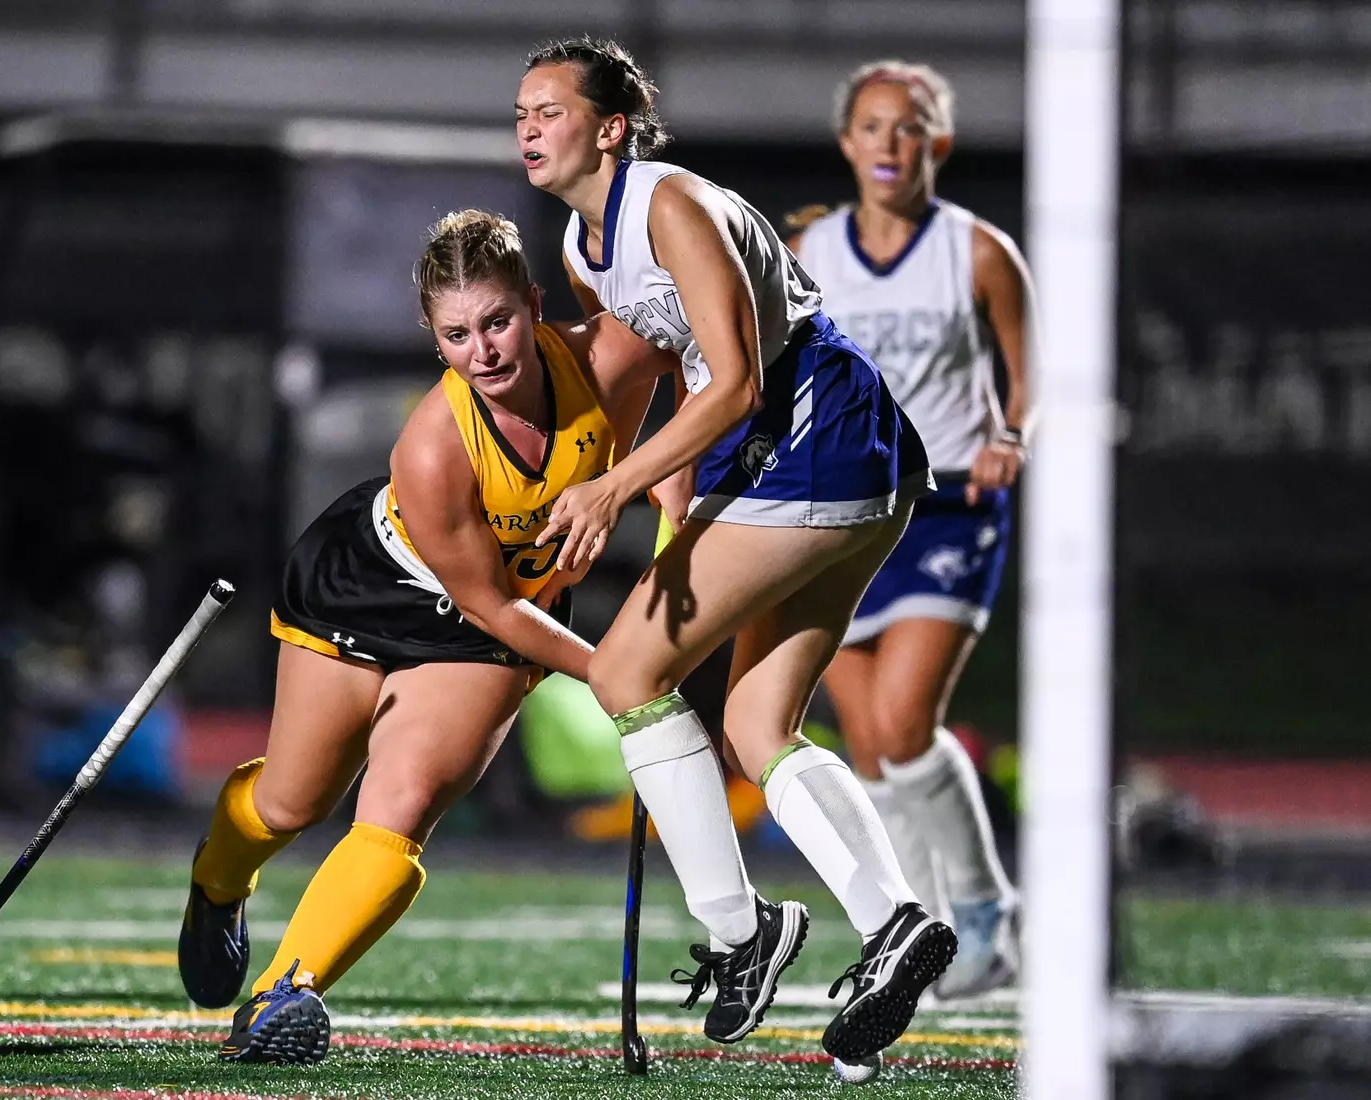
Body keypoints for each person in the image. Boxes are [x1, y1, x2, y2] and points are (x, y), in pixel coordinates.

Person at [516, 37, 955, 1064]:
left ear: (610, 128)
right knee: (757, 720)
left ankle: (742, 931)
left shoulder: (667, 203)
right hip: (809, 458)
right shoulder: (584, 248)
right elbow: (675, 366)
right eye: (521, 112)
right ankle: (893, 921)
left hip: (817, 432)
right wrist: (669, 492)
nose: (528, 127)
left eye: (548, 109)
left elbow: (737, 384)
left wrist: (612, 489)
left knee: (626, 669)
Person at [176, 210, 673, 1065]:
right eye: (455, 333)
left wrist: (670, 481)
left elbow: (701, 363)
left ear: (533, 302)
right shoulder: (434, 448)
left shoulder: (610, 354)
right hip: (377, 588)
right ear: (430, 335)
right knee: (292, 803)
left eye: (497, 321)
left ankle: (280, 998)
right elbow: (489, 604)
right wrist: (611, 669)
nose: (481, 350)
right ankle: (218, 882)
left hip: (484, 630)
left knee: (400, 805)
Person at [788, 60, 1035, 999]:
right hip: (847, 507)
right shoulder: (809, 247)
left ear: (937, 142)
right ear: (847, 142)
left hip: (950, 503)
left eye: (909, 127)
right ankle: (920, 936)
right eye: (872, 127)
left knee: (903, 721)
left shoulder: (974, 250)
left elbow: (1028, 370)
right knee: (864, 743)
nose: (890, 144)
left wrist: (1012, 434)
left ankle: (980, 907)